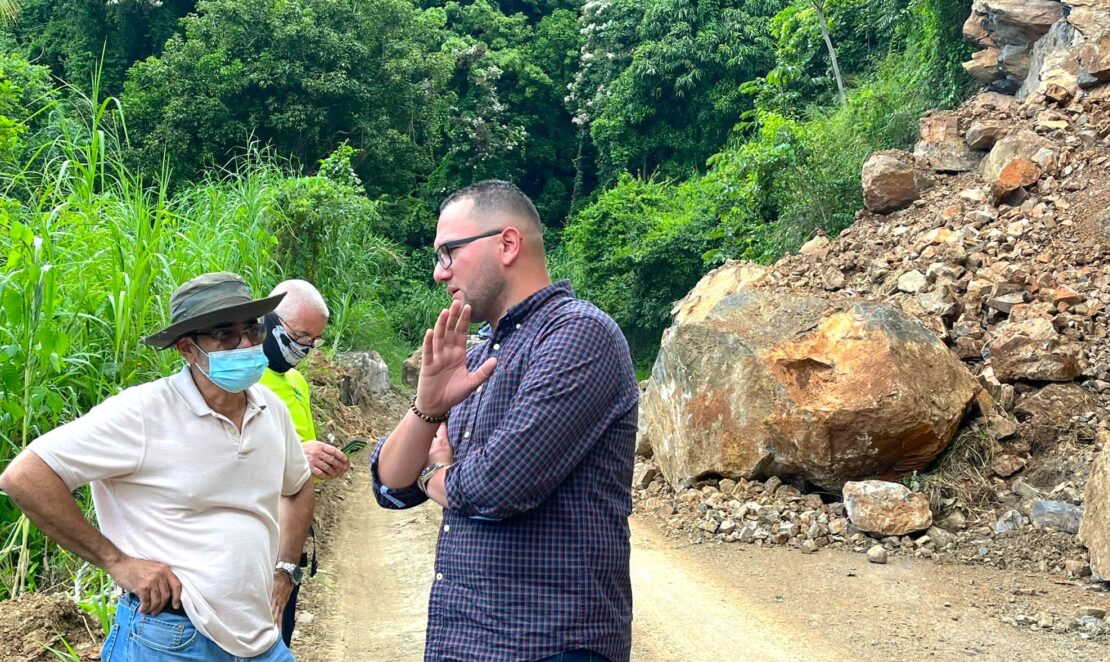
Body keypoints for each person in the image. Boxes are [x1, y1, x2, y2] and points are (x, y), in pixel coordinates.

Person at [372, 181, 639, 662]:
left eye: (448, 252)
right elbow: (390, 485)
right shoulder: (477, 354)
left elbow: (499, 483)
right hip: (465, 639)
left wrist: (435, 471)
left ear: (508, 244)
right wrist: (428, 406)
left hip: (549, 644)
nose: (439, 273)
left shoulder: (578, 334)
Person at [0, 272, 314, 661]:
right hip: (170, 636)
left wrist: (284, 571)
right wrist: (118, 563)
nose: (247, 344)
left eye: (252, 329)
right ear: (187, 348)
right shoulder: (144, 414)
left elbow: (299, 484)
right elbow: (24, 476)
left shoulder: (272, 410)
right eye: (226, 335)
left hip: (259, 637)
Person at [259, 278, 349, 647]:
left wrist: (321, 462)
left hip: (289, 540)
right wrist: (297, 455)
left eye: (314, 341)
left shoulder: (296, 380)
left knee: (281, 634)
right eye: (299, 336)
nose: (306, 348)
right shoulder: (238, 379)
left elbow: (300, 463)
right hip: (256, 535)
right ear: (269, 321)